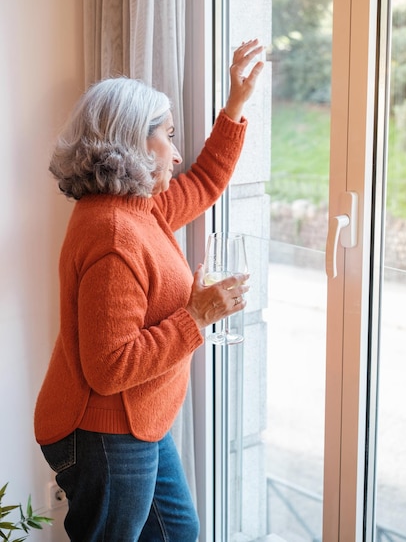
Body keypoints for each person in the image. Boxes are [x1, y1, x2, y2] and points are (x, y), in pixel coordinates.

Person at [34, 39, 264, 542]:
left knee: (177, 533)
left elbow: (204, 181)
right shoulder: (114, 234)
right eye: (169, 136)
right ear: (133, 143)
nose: (178, 153)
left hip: (136, 424)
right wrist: (197, 315)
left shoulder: (141, 210)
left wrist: (236, 106)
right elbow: (109, 366)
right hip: (102, 432)